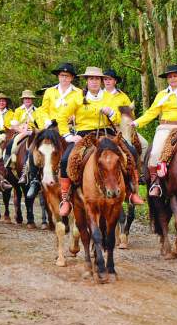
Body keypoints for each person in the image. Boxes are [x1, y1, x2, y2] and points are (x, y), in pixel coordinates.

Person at [56, 66, 143, 217]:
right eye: (91, 79)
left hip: (108, 133)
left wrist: (112, 113)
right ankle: (66, 198)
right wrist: (68, 136)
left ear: (101, 81)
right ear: (87, 81)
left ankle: (131, 190)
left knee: (132, 151)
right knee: (65, 159)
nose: (94, 82)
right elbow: (62, 117)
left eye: (97, 79)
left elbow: (120, 118)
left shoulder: (110, 97)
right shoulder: (76, 98)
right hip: (84, 135)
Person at [130, 64, 177, 197]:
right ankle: (155, 182)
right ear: (167, 79)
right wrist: (136, 123)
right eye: (170, 77)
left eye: (175, 76)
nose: (173, 79)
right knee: (155, 152)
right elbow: (151, 113)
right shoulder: (162, 95)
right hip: (165, 127)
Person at [24, 62, 82, 200]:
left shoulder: (79, 93)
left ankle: (77, 179)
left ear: (72, 78)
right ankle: (34, 180)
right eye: (62, 75)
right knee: (33, 147)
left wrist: (73, 117)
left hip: (69, 127)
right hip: (50, 126)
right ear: (58, 77)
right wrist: (46, 121)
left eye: (67, 76)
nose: (64, 78)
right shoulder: (50, 91)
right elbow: (43, 109)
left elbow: (79, 109)